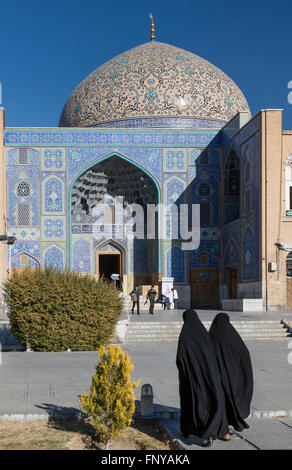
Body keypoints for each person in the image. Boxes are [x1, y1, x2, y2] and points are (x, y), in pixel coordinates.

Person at [176, 309, 230, 447]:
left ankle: (187, 431)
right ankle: (222, 432)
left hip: (192, 378)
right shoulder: (204, 335)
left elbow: (180, 359)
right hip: (211, 376)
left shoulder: (185, 335)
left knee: (191, 402)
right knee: (214, 401)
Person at [209, 313, 253, 432]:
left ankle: (223, 427)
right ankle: (235, 421)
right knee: (233, 397)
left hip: (218, 376)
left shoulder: (212, 336)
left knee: (221, 400)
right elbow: (244, 353)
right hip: (234, 376)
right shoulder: (234, 336)